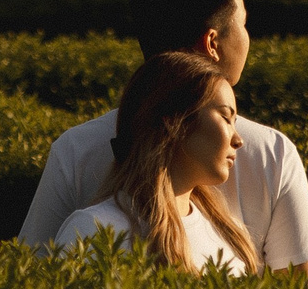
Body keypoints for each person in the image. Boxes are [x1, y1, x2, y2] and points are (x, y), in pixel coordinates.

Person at [18, 0, 308, 282]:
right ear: (212, 42)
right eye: (244, 24)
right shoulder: (272, 152)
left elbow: (31, 278)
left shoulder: (75, 149)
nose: (235, 139)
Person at [51, 50, 258, 274]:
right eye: (226, 118)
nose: (238, 140)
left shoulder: (228, 233)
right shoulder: (93, 231)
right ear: (173, 122)